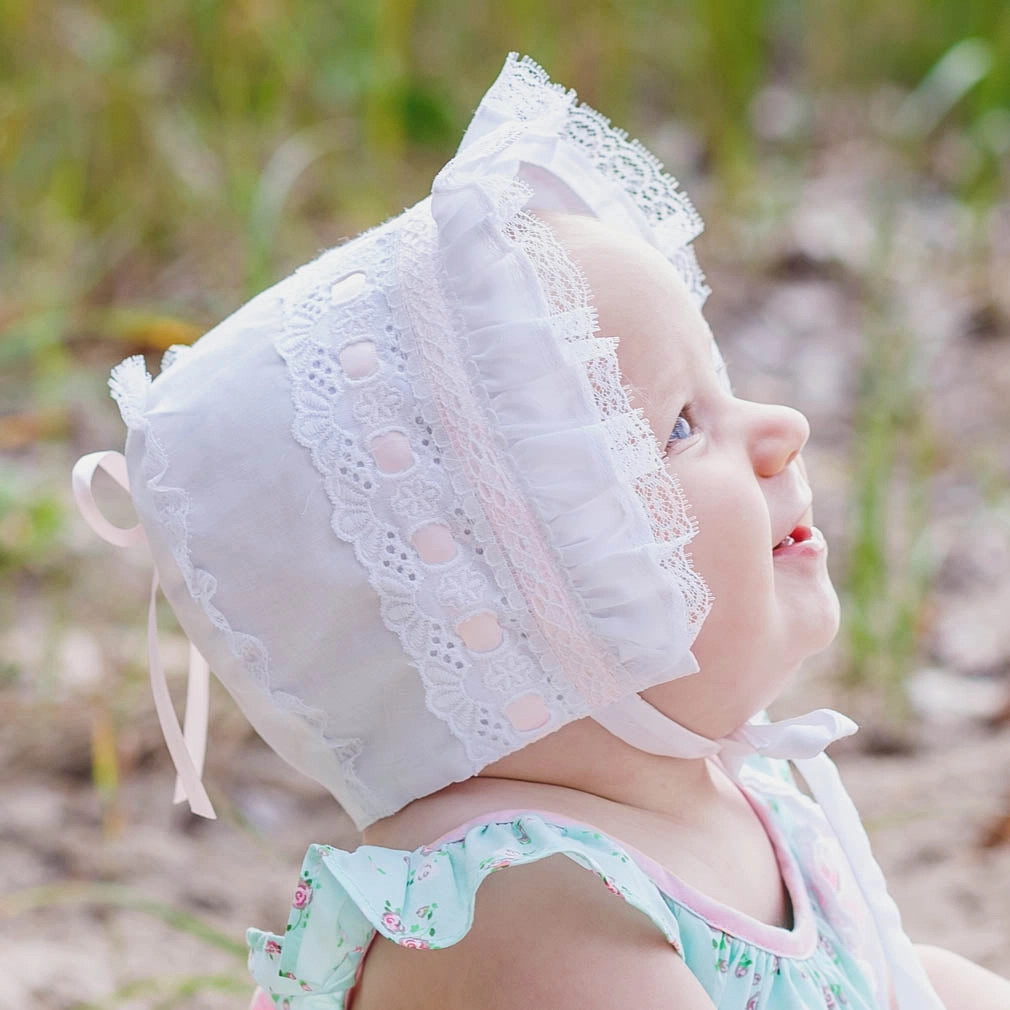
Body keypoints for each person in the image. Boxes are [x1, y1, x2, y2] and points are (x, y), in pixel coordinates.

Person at [71, 54, 1010, 1010]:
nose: (781, 428)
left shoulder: (724, 800)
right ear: (515, 605)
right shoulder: (522, 915)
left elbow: (882, 988)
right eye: (682, 425)